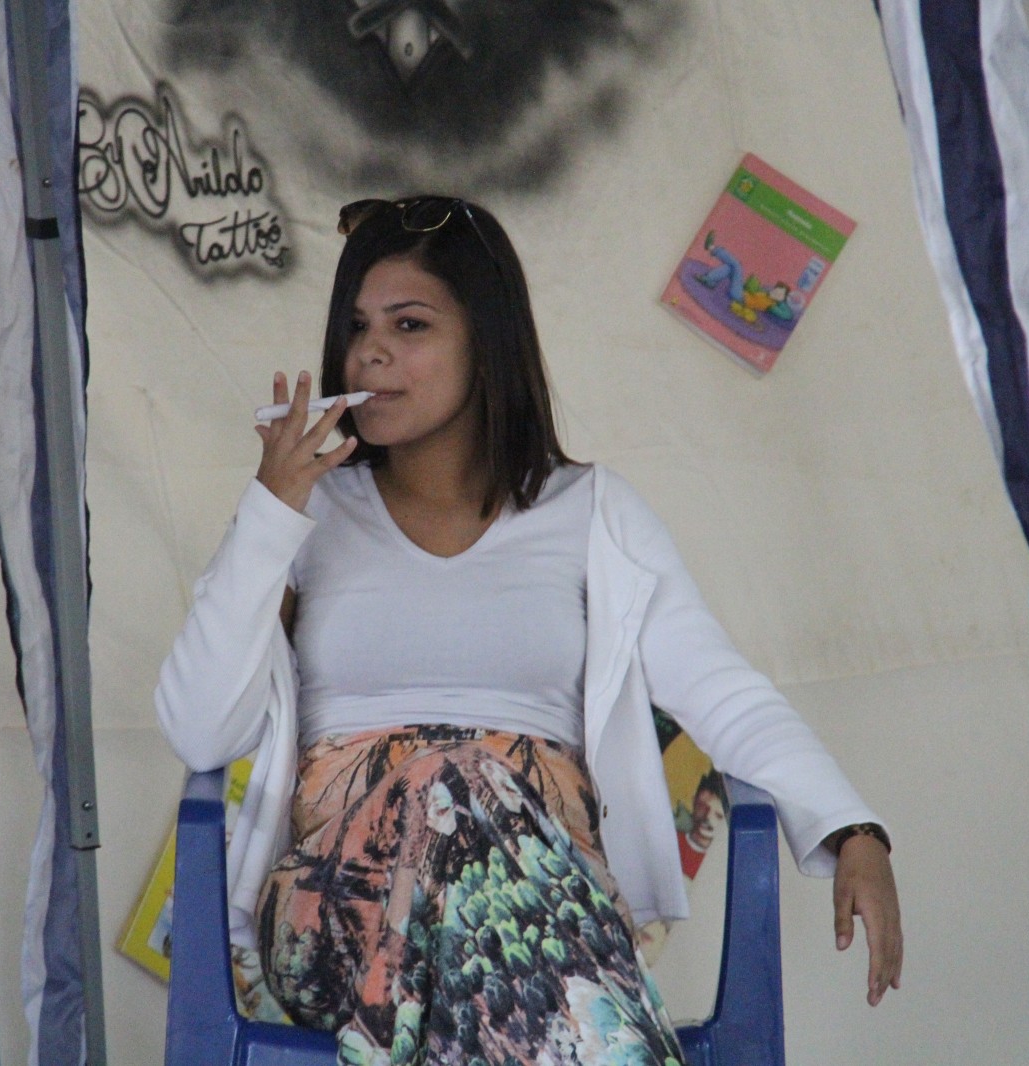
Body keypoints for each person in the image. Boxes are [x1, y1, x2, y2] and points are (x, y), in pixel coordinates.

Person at [155, 195, 902, 1065]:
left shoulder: (591, 512)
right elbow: (200, 728)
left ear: (489, 341)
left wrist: (852, 828)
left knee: (474, 823)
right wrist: (269, 512)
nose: (370, 352)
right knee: (453, 782)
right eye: (357, 327)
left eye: (409, 324)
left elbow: (723, 691)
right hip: (339, 920)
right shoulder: (303, 515)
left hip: (550, 909)